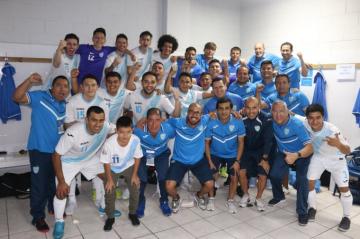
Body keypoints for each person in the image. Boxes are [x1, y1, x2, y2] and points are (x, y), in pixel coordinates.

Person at [12, 73, 69, 233]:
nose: (62, 89)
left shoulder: (66, 104)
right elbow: (16, 97)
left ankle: (52, 206)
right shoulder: (40, 97)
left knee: (54, 181)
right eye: (59, 85)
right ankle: (37, 216)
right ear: (52, 87)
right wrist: (29, 80)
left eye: (66, 86)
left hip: (57, 152)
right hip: (39, 150)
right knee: (39, 185)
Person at [52, 106, 114, 239]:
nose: (98, 124)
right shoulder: (73, 132)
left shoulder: (106, 126)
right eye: (94, 120)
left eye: (101, 120)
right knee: (61, 191)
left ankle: (104, 206)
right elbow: (56, 155)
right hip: (69, 162)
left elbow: (120, 130)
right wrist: (62, 182)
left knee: (109, 178)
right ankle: (59, 221)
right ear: (86, 119)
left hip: (89, 158)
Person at [300, 104, 352, 231]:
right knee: (310, 182)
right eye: (311, 118)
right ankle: (312, 208)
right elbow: (291, 114)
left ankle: (346, 217)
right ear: (307, 118)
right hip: (318, 157)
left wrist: (338, 144)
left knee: (344, 189)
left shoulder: (333, 130)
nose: (315, 121)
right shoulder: (305, 123)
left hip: (337, 160)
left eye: (318, 118)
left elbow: (348, 150)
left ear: (323, 117)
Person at [269, 100, 313, 226]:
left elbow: (310, 147)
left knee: (302, 180)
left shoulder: (297, 124)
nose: (278, 115)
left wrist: (296, 155)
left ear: (288, 111)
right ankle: (279, 197)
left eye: (282, 111)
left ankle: (302, 212)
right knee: (274, 175)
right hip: (283, 153)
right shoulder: (271, 121)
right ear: (271, 112)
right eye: (275, 112)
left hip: (301, 155)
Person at [165, 103, 214, 213]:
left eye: (197, 112)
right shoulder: (177, 122)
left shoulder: (205, 120)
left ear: (201, 114)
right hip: (179, 160)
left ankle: (199, 195)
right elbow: (162, 122)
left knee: (210, 184)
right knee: (169, 187)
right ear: (187, 112)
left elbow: (218, 114)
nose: (194, 115)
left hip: (198, 161)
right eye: (191, 111)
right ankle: (176, 198)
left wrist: (236, 114)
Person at [101, 116, 143, 230]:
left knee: (135, 189)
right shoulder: (109, 143)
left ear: (132, 130)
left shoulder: (135, 140)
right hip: (113, 169)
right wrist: (109, 180)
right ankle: (110, 217)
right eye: (121, 132)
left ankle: (132, 213)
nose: (125, 135)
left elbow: (137, 157)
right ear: (116, 131)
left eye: (128, 132)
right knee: (109, 191)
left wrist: (135, 175)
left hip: (129, 166)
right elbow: (106, 163)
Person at [205, 98, 245, 213]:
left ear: (231, 110)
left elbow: (241, 142)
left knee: (234, 177)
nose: (224, 112)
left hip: (232, 154)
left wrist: (237, 161)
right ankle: (211, 199)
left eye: (227, 108)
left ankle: (230, 201)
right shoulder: (211, 122)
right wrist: (209, 161)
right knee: (210, 175)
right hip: (215, 153)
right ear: (216, 110)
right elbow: (207, 143)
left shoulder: (238, 121)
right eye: (221, 109)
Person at [134, 108, 175, 218]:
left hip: (160, 154)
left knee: (163, 176)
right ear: (146, 120)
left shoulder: (167, 129)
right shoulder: (138, 129)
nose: (154, 123)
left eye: (157, 120)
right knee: (142, 178)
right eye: (151, 120)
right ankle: (140, 202)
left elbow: (179, 132)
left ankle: (164, 201)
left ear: (161, 120)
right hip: (143, 155)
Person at [238, 97, 274, 211]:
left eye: (254, 108)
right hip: (245, 150)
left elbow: (268, 140)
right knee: (241, 172)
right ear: (244, 108)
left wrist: (265, 158)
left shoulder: (266, 119)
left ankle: (258, 198)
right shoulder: (240, 118)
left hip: (261, 151)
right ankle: (246, 194)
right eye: (248, 108)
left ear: (259, 107)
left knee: (263, 175)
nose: (251, 111)